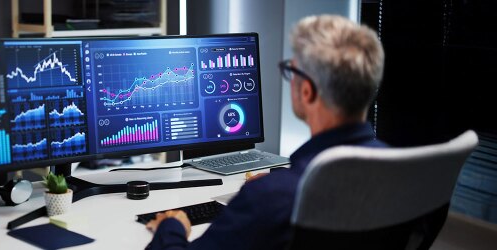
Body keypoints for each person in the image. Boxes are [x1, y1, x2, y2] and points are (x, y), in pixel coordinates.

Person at [145, 15, 387, 250]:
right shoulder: (400, 171)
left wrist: (171, 227)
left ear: (307, 92)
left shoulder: (271, 197)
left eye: (292, 72)